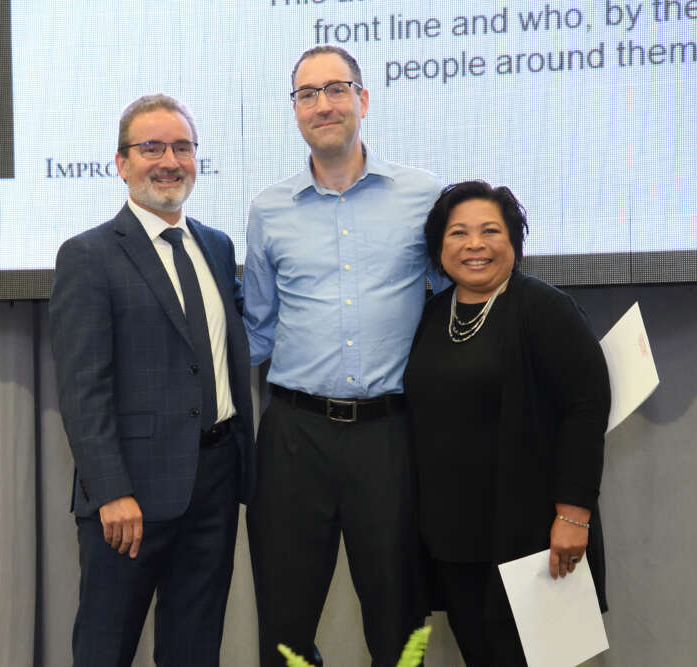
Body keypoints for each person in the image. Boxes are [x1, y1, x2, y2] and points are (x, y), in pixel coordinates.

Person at [242, 45, 446, 666]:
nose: (322, 104)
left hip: (389, 437)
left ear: (363, 99)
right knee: (283, 625)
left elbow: (454, 314)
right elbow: (257, 329)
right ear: (295, 111)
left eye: (336, 89)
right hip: (293, 438)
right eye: (307, 94)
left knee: (399, 622)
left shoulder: (424, 197)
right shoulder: (267, 210)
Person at [49, 93, 255, 667]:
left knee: (195, 650)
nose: (169, 160)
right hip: (130, 496)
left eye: (182, 147)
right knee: (105, 648)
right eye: (151, 147)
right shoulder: (88, 255)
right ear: (121, 163)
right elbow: (82, 387)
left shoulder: (216, 246)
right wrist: (111, 490)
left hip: (214, 483)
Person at [403, 180, 611, 665]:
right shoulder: (434, 314)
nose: (474, 245)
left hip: (532, 538)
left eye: (489, 231)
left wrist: (572, 515)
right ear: (439, 246)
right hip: (454, 539)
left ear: (513, 240)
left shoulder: (543, 308)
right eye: (458, 233)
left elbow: (586, 409)